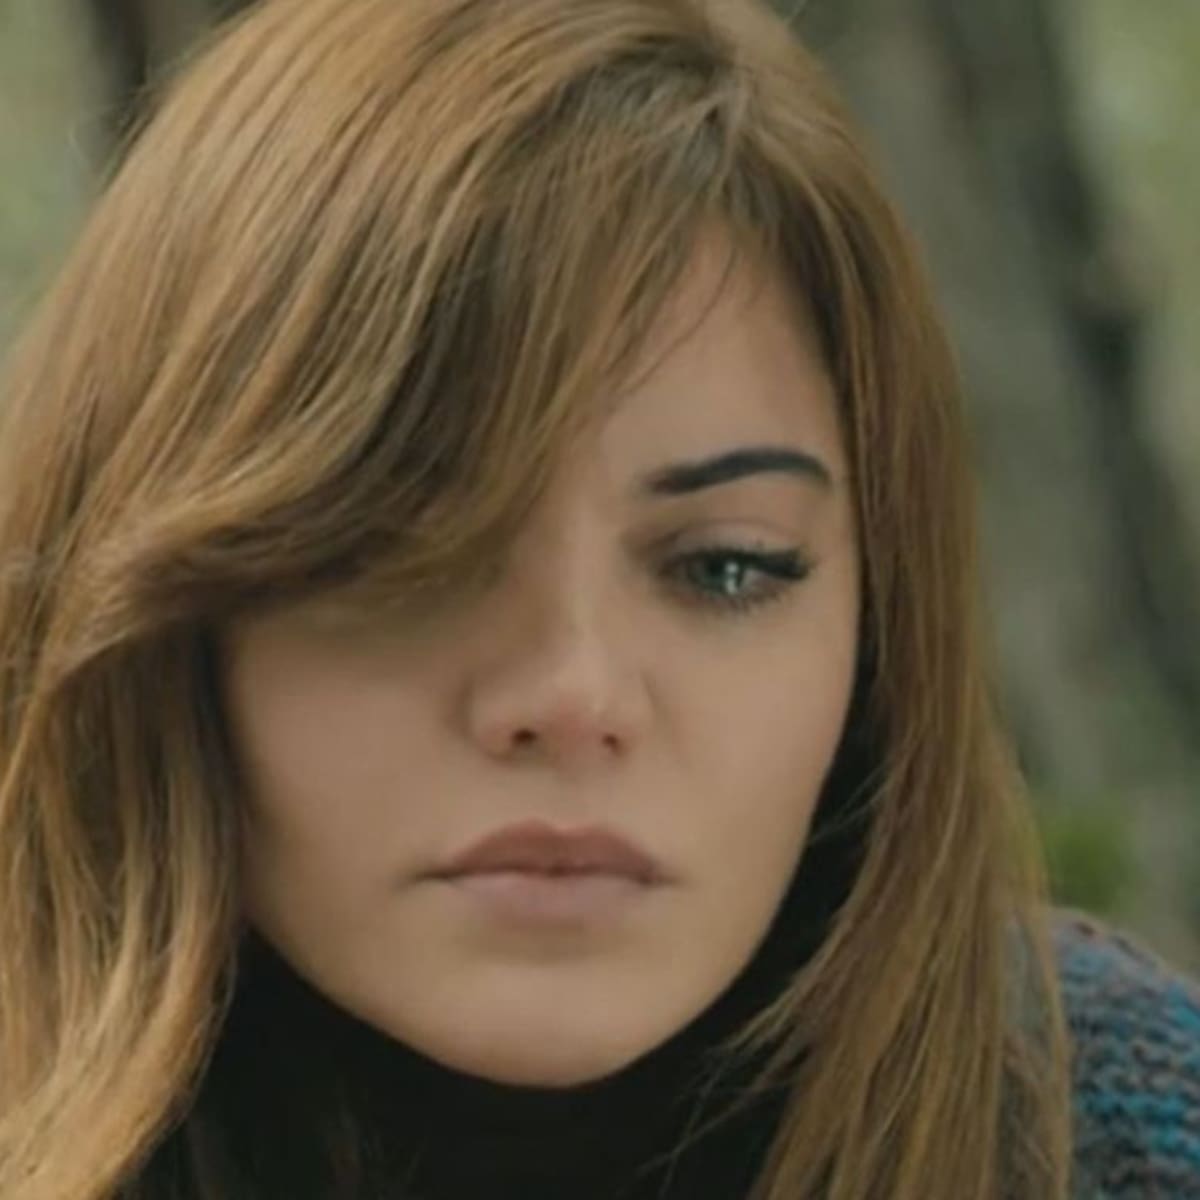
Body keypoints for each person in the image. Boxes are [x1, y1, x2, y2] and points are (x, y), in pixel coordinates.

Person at [0, 0, 1197, 1197]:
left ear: (880, 630)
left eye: (726, 566)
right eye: (400, 556)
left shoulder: (1124, 1136)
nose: (573, 695)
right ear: (165, 627)